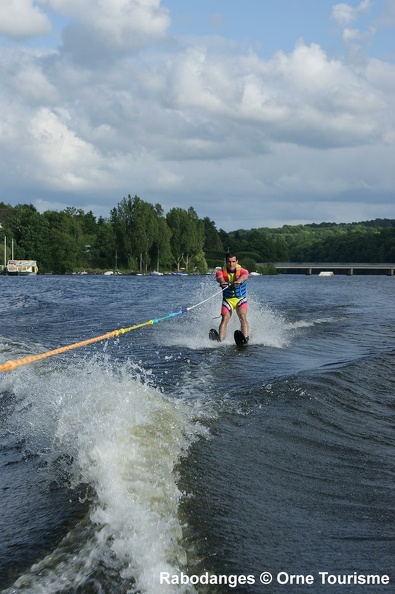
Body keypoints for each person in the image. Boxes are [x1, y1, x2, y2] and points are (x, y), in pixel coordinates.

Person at [215, 252, 249, 342]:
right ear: (226, 262)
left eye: (233, 261)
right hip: (228, 300)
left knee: (243, 316)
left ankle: (245, 338)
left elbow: (245, 276)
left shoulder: (243, 271)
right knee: (225, 318)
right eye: (229, 262)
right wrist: (222, 282)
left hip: (240, 299)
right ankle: (221, 340)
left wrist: (239, 281)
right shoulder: (220, 272)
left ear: (237, 261)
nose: (231, 264)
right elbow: (219, 278)